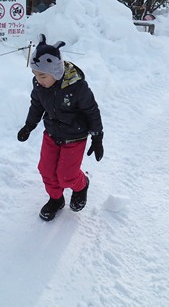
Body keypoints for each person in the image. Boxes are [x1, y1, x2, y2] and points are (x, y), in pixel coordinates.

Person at [17, 34, 104, 221]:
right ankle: (56, 199)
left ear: (56, 72)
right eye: (35, 74)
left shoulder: (77, 87)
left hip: (74, 137)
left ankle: (81, 185)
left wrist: (97, 137)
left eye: (42, 75)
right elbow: (37, 105)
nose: (38, 79)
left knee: (66, 176)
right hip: (51, 134)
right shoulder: (40, 85)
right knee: (46, 170)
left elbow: (91, 111)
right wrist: (29, 125)